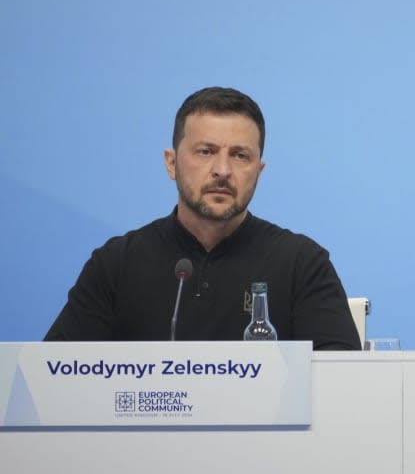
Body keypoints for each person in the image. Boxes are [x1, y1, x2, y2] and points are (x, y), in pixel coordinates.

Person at [45, 87, 361, 350]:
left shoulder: (302, 264)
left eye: (240, 155)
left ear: (258, 171)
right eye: (205, 151)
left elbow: (344, 386)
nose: (222, 171)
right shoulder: (117, 264)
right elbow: (51, 380)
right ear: (172, 163)